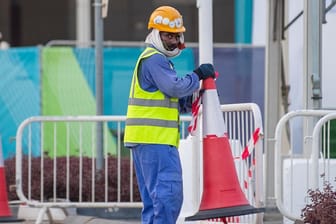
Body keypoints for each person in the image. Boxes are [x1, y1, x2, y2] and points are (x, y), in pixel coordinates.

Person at [124, 5, 215, 224]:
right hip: (156, 143)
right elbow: (174, 87)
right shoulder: (155, 59)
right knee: (168, 196)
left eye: (176, 36)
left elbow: (167, 97)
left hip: (147, 142)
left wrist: (190, 99)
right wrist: (197, 75)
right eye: (167, 35)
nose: (172, 41)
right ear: (155, 34)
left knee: (155, 203)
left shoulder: (154, 60)